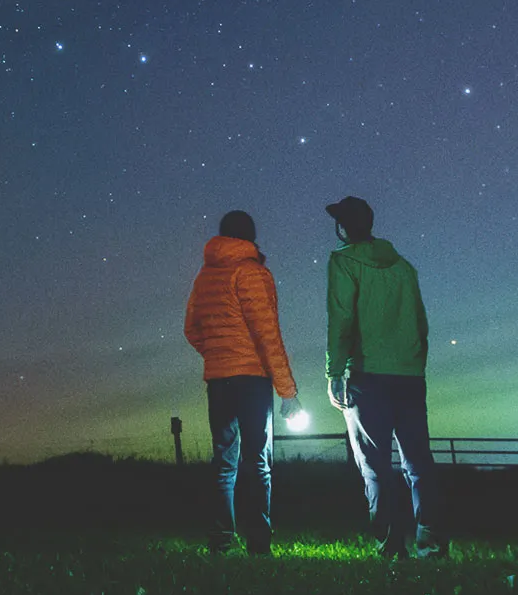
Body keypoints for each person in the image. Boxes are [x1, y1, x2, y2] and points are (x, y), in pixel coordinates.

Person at [324, 196, 445, 559]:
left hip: (368, 374)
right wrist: (415, 362)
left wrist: (334, 371)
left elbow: (341, 319)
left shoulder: (343, 261)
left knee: (374, 465)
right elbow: (421, 323)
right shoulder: (404, 267)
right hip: (409, 375)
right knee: (419, 461)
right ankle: (432, 543)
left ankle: (390, 546)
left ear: (344, 227)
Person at [184, 210, 303, 555]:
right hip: (252, 380)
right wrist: (288, 391)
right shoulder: (252, 272)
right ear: (250, 236)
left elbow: (191, 329)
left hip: (219, 380)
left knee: (224, 462)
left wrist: (218, 355)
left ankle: (221, 541)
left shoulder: (204, 276)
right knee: (258, 462)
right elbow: (267, 334)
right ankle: (259, 543)